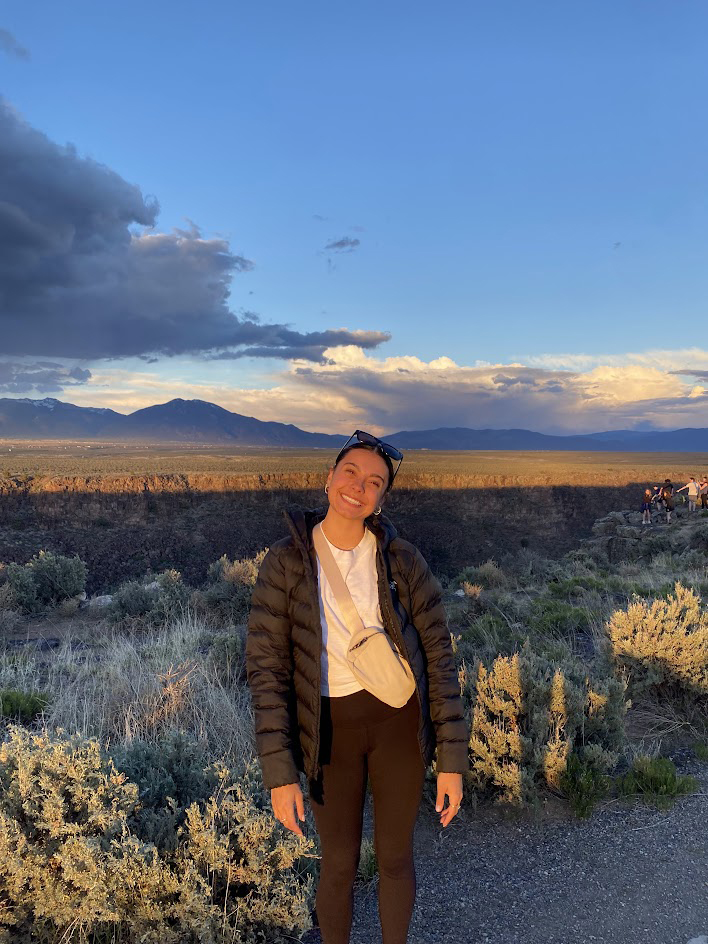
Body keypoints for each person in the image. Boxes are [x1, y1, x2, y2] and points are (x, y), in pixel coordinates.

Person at [246, 430, 469, 944]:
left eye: (374, 482)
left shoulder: (402, 561)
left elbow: (439, 658)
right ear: (329, 478)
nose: (358, 487)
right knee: (338, 863)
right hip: (328, 733)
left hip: (398, 724)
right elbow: (266, 670)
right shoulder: (286, 563)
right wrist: (280, 775)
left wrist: (451, 762)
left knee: (395, 858)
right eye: (350, 472)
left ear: (381, 498)